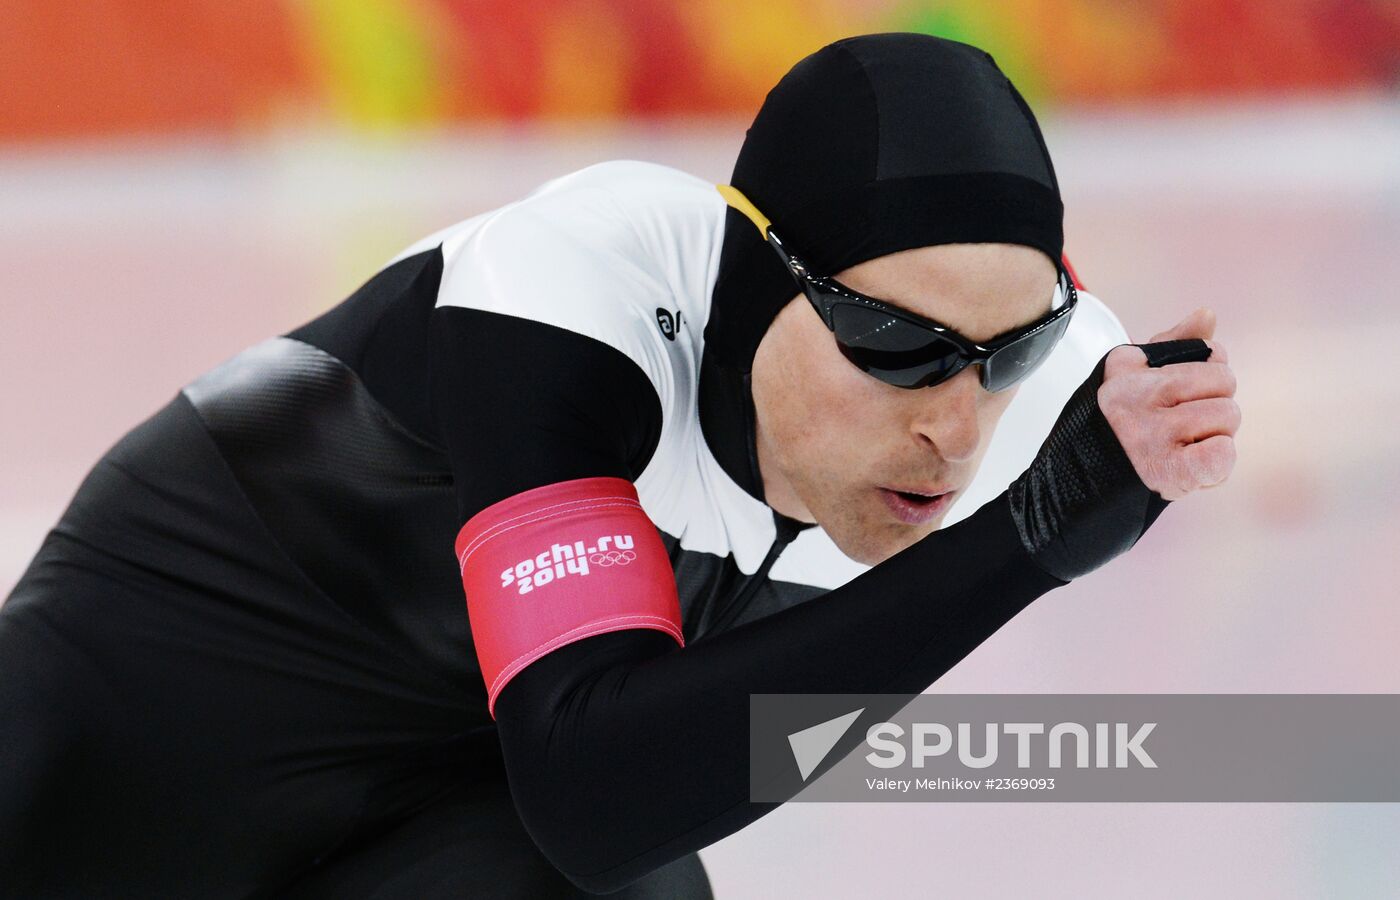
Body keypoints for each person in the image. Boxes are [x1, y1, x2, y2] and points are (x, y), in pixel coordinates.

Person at [0, 33, 1238, 898]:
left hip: (449, 823)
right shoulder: (573, 286)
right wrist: (1018, 548)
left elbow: (606, 825)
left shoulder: (1064, 396)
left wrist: (1033, 513)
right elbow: (593, 773)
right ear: (756, 288)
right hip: (129, 743)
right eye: (893, 347)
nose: (957, 429)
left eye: (1009, 351)